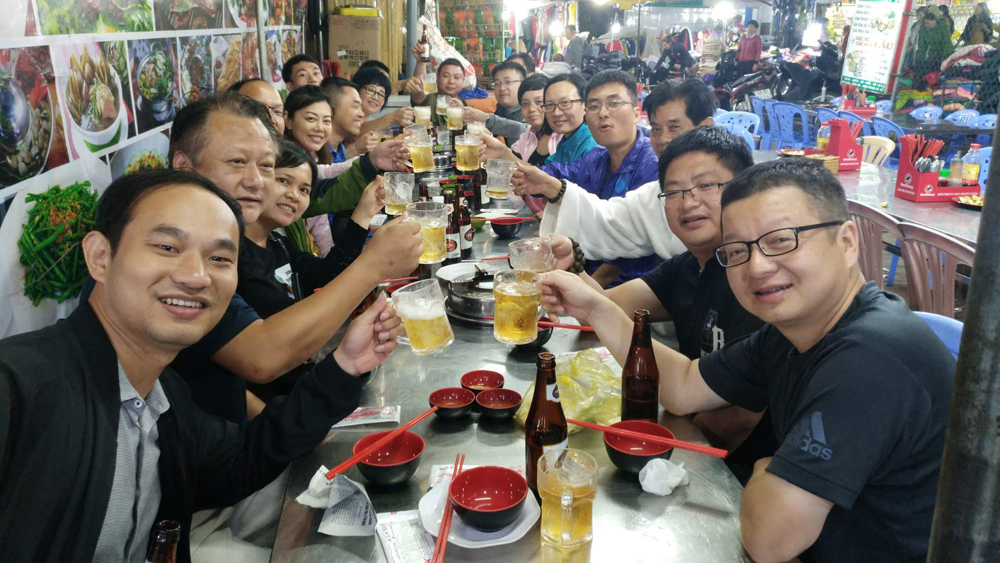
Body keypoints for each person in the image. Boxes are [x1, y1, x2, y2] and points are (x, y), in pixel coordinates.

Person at [540, 158, 955, 562]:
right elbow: (683, 387)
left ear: (847, 242)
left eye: (781, 240)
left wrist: (764, 466)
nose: (757, 266)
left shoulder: (870, 358)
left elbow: (769, 541)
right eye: (738, 250)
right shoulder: (791, 332)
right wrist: (594, 308)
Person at [0, 169, 403, 561]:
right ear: (100, 256)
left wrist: (345, 365)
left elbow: (241, 459)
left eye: (219, 258)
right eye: (167, 248)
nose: (196, 276)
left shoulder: (163, 393)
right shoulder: (18, 388)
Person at [160, 92, 421, 424]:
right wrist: (374, 265)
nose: (256, 181)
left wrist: (345, 364)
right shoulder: (174, 255)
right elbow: (260, 357)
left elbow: (228, 388)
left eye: (266, 166)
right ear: (184, 166)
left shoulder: (250, 243)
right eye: (237, 161)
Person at [549, 127, 772, 473]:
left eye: (706, 185)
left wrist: (673, 463)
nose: (688, 202)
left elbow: (741, 417)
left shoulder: (758, 281)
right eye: (674, 191)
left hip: (741, 470)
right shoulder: (688, 266)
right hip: (685, 431)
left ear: (744, 190)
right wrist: (572, 266)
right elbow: (601, 308)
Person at [238, 140, 385, 401]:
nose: (294, 195)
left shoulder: (277, 243)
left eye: (304, 189)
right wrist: (374, 265)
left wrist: (363, 214)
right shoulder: (235, 258)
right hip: (270, 402)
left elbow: (326, 274)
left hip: (296, 387)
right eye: (283, 181)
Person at [505, 70, 661, 287]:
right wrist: (506, 157)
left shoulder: (653, 164)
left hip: (634, 289)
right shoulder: (597, 158)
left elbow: (632, 249)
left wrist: (584, 292)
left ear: (636, 113)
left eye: (614, 103)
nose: (603, 113)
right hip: (587, 274)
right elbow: (557, 174)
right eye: (594, 106)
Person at [534, 80, 717, 261]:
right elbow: (610, 220)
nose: (663, 139)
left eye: (674, 127)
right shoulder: (655, 190)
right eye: (656, 129)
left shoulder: (725, 186)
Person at [509, 74, 561, 215]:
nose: (531, 109)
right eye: (525, 104)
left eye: (539, 102)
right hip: (529, 212)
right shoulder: (527, 136)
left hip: (556, 213)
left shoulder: (562, 136)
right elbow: (509, 164)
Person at [463, 60, 529, 146]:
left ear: (523, 84)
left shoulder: (531, 106)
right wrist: (466, 115)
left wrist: (485, 117)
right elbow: (492, 130)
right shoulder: (502, 108)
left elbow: (524, 131)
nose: (501, 88)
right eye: (497, 83)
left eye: (508, 81)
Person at [405, 57, 469, 127]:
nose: (451, 81)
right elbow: (419, 87)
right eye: (446, 76)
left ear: (463, 81)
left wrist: (463, 114)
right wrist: (421, 62)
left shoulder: (465, 105)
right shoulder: (429, 97)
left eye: (456, 77)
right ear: (437, 78)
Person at [352, 67, 414, 137]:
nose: (376, 97)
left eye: (381, 94)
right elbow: (353, 134)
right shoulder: (346, 115)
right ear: (356, 89)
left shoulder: (371, 122)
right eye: (371, 90)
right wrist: (393, 117)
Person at [915, 10, 955, 78]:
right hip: (933, 54)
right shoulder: (925, 30)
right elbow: (922, 46)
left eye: (928, 23)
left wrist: (945, 57)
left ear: (934, 21)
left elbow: (946, 43)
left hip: (946, 52)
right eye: (925, 23)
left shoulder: (943, 27)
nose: (926, 25)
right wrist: (919, 58)